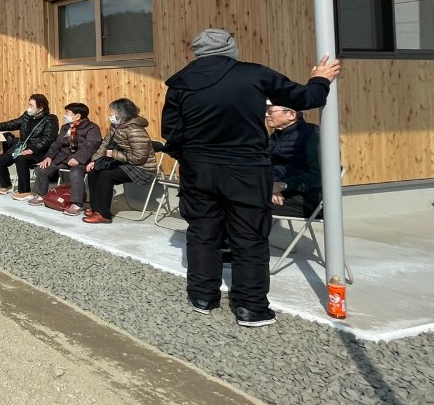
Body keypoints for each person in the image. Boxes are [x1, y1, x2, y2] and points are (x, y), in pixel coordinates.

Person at [162, 28, 339, 327]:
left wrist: (190, 158)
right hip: (246, 169)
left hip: (198, 170)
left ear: (199, 52)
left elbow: (171, 132)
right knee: (249, 237)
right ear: (230, 48)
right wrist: (320, 79)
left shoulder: (180, 82)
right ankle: (250, 308)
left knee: (203, 231)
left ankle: (202, 297)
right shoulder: (254, 74)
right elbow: (306, 98)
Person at [82, 98, 155, 224]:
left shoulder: (135, 130)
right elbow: (105, 144)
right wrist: (94, 160)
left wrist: (114, 154)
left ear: (121, 113)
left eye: (112, 111)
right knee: (94, 171)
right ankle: (96, 208)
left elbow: (139, 158)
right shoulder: (116, 126)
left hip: (142, 168)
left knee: (106, 175)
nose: (109, 114)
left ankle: (104, 214)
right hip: (125, 163)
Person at [28, 102, 101, 215]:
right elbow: (57, 144)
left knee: (76, 174)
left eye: (67, 113)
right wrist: (48, 157)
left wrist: (78, 158)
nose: (65, 115)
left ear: (77, 116)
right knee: (42, 168)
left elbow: (91, 145)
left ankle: (77, 204)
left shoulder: (92, 128)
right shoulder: (66, 127)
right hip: (63, 157)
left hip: (81, 160)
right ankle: (41, 194)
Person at [0, 94, 58, 198]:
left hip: (39, 151)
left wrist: (32, 149)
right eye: (29, 104)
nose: (29, 107)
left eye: (31, 105)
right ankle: (6, 185)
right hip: (22, 147)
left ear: (40, 108)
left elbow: (48, 139)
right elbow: (12, 124)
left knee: (21, 159)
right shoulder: (27, 116)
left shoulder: (50, 119)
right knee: (1, 159)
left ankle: (25, 191)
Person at [266, 104, 322, 218]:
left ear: (291, 115)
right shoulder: (276, 136)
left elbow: (318, 176)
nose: (266, 115)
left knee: (247, 204)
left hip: (309, 200)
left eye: (271, 111)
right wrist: (271, 187)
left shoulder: (313, 135)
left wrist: (281, 186)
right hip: (282, 192)